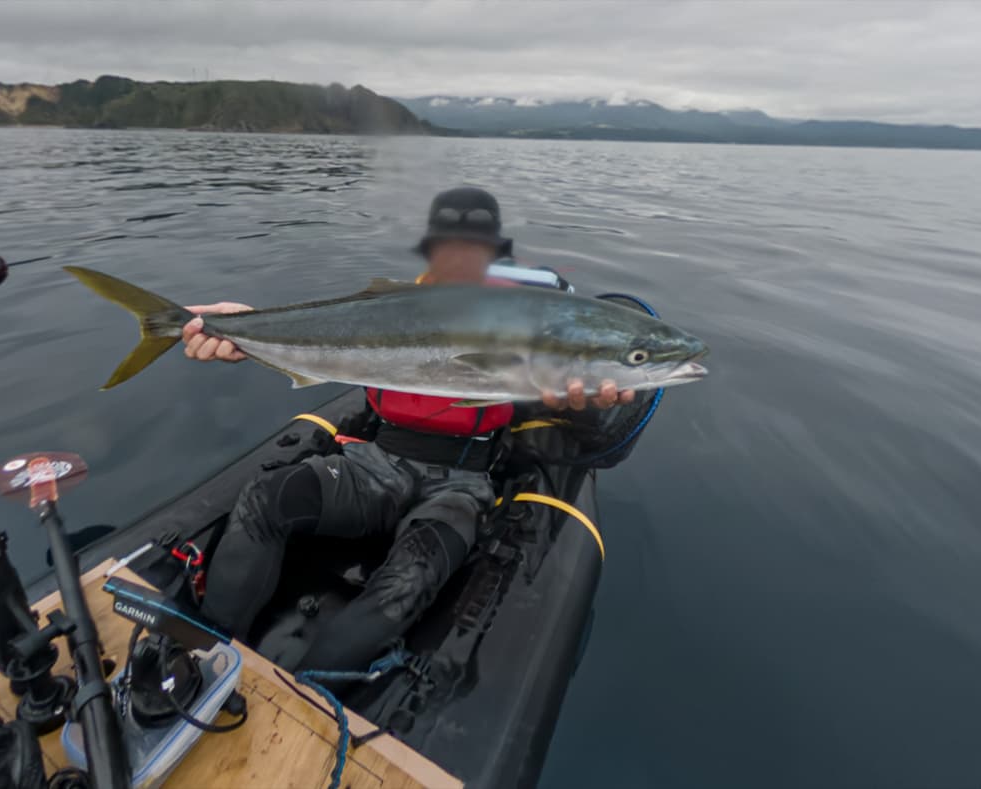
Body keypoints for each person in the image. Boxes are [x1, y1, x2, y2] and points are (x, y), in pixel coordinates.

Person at [181, 187, 639, 672]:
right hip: (374, 464)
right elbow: (317, 337)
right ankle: (200, 654)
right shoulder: (388, 307)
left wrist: (583, 403)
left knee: (407, 581)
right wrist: (242, 330)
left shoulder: (526, 314)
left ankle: (304, 698)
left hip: (462, 486)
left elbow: (579, 404)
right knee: (266, 497)